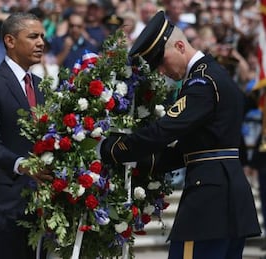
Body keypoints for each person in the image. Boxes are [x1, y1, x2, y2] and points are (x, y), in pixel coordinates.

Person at [99, 11, 261, 258]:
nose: (162, 70)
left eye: (161, 61)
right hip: (226, 199)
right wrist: (141, 162)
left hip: (209, 204)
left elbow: (164, 131)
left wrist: (112, 149)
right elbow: (191, 149)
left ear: (178, 45)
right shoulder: (215, 75)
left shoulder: (202, 82)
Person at [0, 12, 52, 259]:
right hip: (3, 203)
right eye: (33, 36)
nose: (41, 42)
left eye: (42, 37)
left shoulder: (40, 85)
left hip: (40, 204)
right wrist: (23, 166)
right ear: (10, 40)